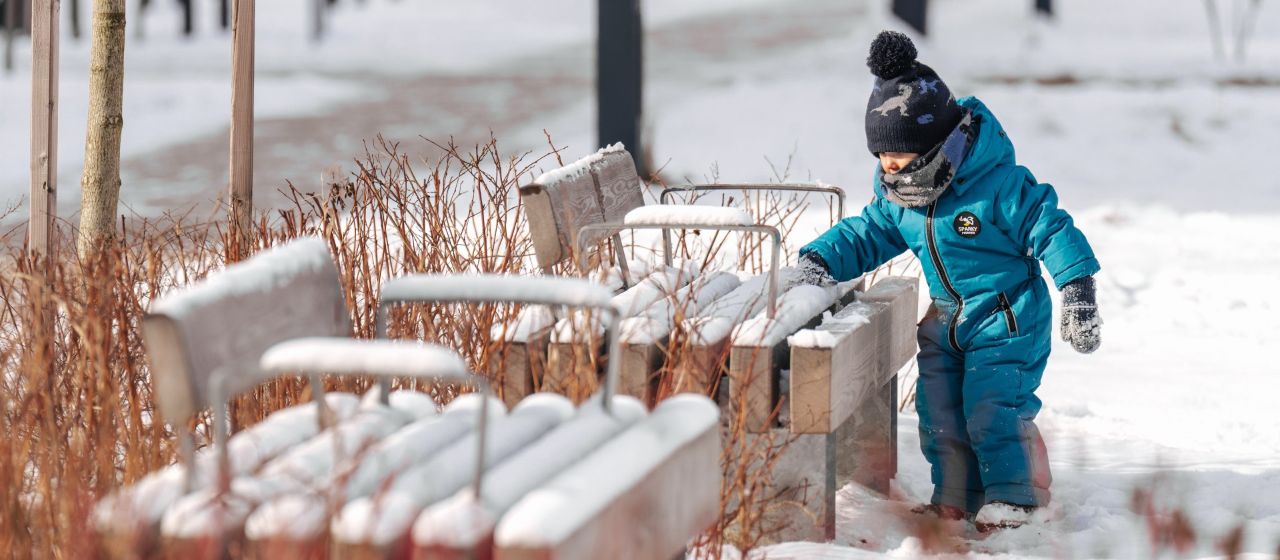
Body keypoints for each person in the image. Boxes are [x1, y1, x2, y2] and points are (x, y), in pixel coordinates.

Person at [798, 30, 1101, 530]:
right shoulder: (901, 195)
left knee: (992, 408)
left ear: (934, 145)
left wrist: (1078, 289)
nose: (887, 167)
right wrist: (820, 261)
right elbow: (869, 232)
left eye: (897, 157)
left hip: (1008, 318)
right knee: (938, 412)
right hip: (947, 319)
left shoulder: (997, 185)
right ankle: (955, 495)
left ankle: (1015, 496)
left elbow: (1051, 226)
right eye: (880, 158)